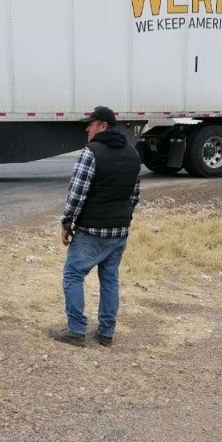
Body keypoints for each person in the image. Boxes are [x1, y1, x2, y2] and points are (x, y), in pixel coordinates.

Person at [49, 105, 141, 347]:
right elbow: (134, 195)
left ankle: (76, 330)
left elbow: (77, 194)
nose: (87, 128)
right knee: (109, 279)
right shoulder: (133, 154)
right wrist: (123, 218)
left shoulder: (91, 153)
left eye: (91, 124)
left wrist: (67, 223)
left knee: (73, 274)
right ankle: (106, 333)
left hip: (92, 231)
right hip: (119, 232)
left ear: (103, 126)